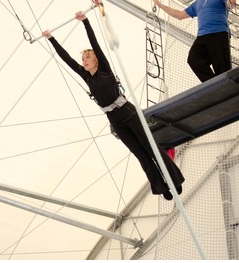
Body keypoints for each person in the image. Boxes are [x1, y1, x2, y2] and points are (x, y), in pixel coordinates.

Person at [42, 11, 185, 200]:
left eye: (87, 58)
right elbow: (66, 58)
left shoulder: (104, 69)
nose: (84, 61)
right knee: (141, 156)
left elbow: (95, 44)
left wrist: (85, 22)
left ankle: (173, 180)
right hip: (115, 121)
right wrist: (51, 39)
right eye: (83, 59)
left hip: (128, 113)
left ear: (96, 60)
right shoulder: (85, 76)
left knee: (150, 147)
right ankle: (161, 187)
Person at [153, 0, 236, 82]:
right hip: (202, 36)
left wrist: (232, 3)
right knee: (194, 60)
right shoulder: (197, 3)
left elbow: (230, 5)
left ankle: (228, 86)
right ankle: (213, 84)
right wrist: (159, 4)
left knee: (222, 68)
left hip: (218, 33)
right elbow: (179, 15)